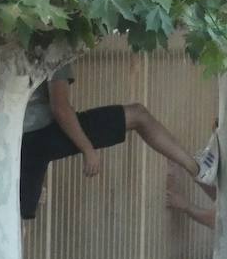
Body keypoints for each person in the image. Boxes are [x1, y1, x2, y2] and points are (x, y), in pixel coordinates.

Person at [20, 62, 210, 220]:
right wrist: (88, 149)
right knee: (138, 115)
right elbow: (60, 108)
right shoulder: (56, 44)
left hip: (21, 139)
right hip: (41, 134)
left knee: (20, 217)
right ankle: (197, 169)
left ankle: (198, 170)